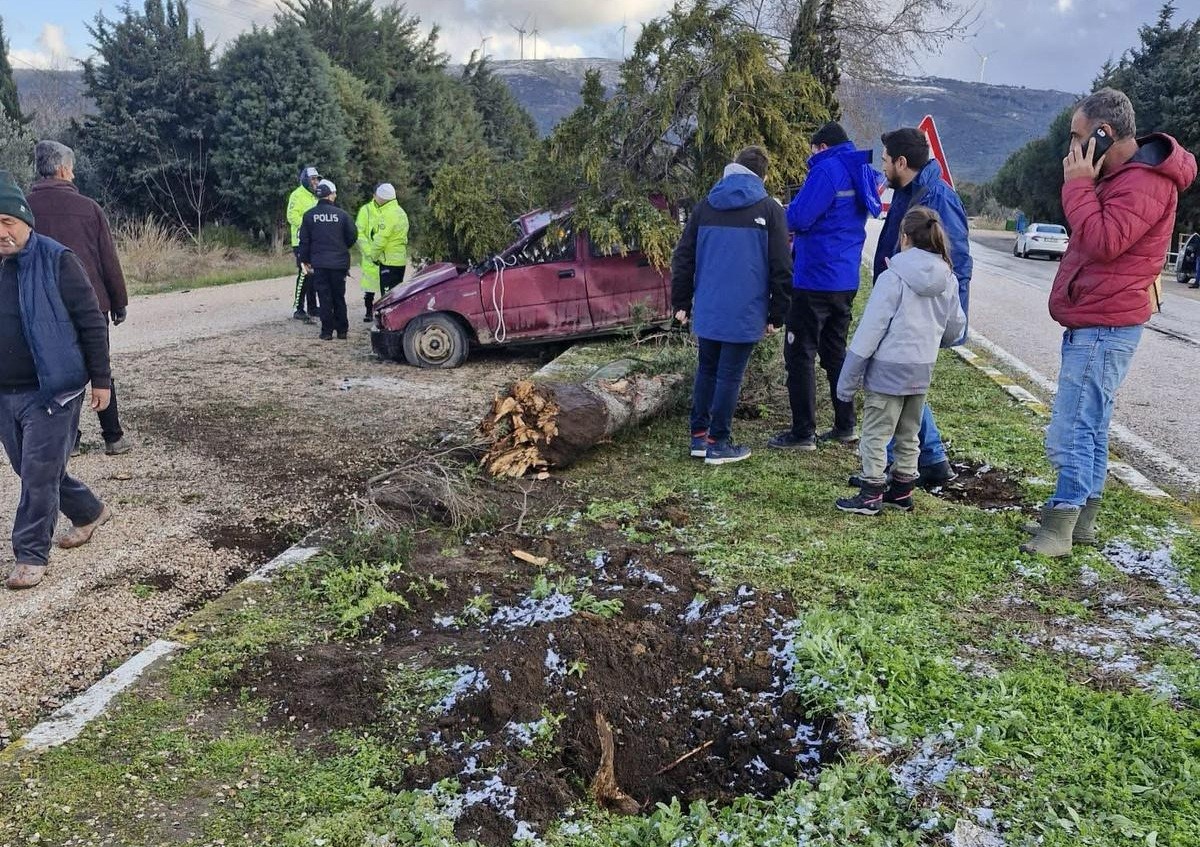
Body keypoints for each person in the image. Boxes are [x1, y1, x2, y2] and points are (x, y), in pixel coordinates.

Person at [1022, 88, 1197, 557]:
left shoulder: (1145, 182)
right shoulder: (1121, 176)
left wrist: (1079, 184)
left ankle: (1061, 523)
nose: (1072, 149)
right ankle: (1080, 523)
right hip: (1098, 320)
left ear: (1105, 133)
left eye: (1080, 137)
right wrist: (1088, 183)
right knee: (1092, 424)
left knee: (1074, 425)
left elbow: (1101, 241)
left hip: (1105, 325)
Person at [0, 171, 114, 590]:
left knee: (37, 471)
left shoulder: (58, 259)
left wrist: (101, 380)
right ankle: (88, 511)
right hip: (5, 392)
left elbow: (91, 322)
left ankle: (30, 553)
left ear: (25, 219)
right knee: (32, 469)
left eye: (6, 221)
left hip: (53, 391)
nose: (1, 232)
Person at [835, 206, 966, 516]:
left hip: (887, 372)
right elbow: (955, 326)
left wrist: (847, 380)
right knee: (909, 434)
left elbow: (870, 331)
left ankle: (870, 494)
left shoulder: (893, 277)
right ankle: (903, 491)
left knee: (876, 434)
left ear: (905, 238)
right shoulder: (947, 278)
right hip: (921, 371)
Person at [671, 145, 791, 465]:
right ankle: (718, 442)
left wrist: (681, 301)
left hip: (709, 307)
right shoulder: (770, 209)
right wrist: (777, 313)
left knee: (707, 370)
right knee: (729, 376)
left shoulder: (704, 207)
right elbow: (782, 265)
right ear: (762, 175)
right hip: (746, 309)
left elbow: (683, 257)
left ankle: (698, 437)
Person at [869, 127, 973, 489]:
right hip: (901, 300)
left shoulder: (937, 198)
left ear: (901, 161)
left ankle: (892, 466)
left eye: (885, 159)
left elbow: (956, 261)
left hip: (920, 309)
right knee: (905, 382)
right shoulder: (909, 192)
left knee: (898, 381)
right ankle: (930, 460)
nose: (881, 166)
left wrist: (950, 318)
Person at [769, 121, 880, 452]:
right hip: (845, 279)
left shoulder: (827, 170)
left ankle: (803, 433)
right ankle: (845, 424)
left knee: (800, 353)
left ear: (821, 146)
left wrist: (781, 212)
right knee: (835, 353)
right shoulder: (860, 170)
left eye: (812, 149)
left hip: (814, 277)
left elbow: (800, 218)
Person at [26, 140, 131, 457]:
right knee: (100, 366)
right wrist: (118, 301)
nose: (72, 175)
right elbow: (107, 260)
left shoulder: (24, 209)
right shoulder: (89, 208)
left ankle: (68, 440)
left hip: (43, 307)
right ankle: (113, 437)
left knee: (53, 370)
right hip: (91, 302)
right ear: (61, 169)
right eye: (71, 169)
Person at [298, 179, 357, 341]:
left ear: (318, 198)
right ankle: (342, 330)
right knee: (339, 296)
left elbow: (304, 241)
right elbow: (352, 236)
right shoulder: (342, 215)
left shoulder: (309, 216)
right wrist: (342, 247)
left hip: (319, 263)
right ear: (330, 196)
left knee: (324, 297)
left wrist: (304, 260)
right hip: (339, 263)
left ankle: (326, 332)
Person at [355, 183, 410, 322]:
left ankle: (389, 324)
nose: (375, 198)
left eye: (378, 196)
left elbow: (381, 239)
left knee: (387, 297)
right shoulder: (400, 211)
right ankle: (398, 320)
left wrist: (373, 255)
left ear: (383, 197)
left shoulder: (388, 214)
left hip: (388, 261)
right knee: (396, 294)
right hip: (399, 260)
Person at [287, 165, 321, 322]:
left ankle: (313, 308)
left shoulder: (316, 196)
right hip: (300, 241)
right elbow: (291, 216)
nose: (315, 182)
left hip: (314, 241)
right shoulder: (297, 195)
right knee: (304, 273)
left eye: (317, 179)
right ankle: (298, 308)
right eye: (313, 179)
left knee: (314, 276)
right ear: (305, 180)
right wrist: (308, 226)